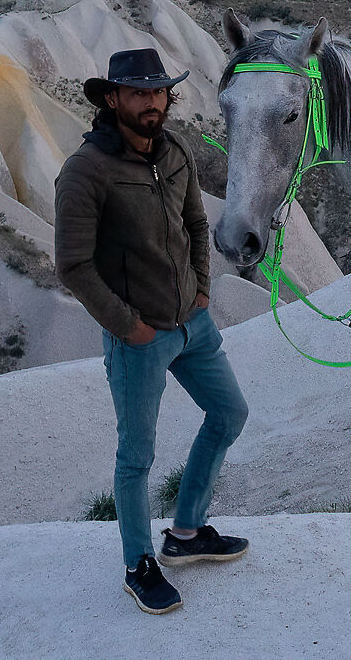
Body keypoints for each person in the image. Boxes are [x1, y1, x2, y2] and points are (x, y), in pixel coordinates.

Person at [55, 47, 251, 614]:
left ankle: (186, 533)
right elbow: (73, 265)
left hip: (193, 323)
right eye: (138, 92)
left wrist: (203, 289)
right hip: (139, 338)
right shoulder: (87, 170)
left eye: (158, 91)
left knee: (229, 414)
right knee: (137, 456)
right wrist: (129, 327)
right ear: (112, 98)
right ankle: (138, 564)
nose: (151, 102)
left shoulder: (175, 150)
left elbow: (195, 223)